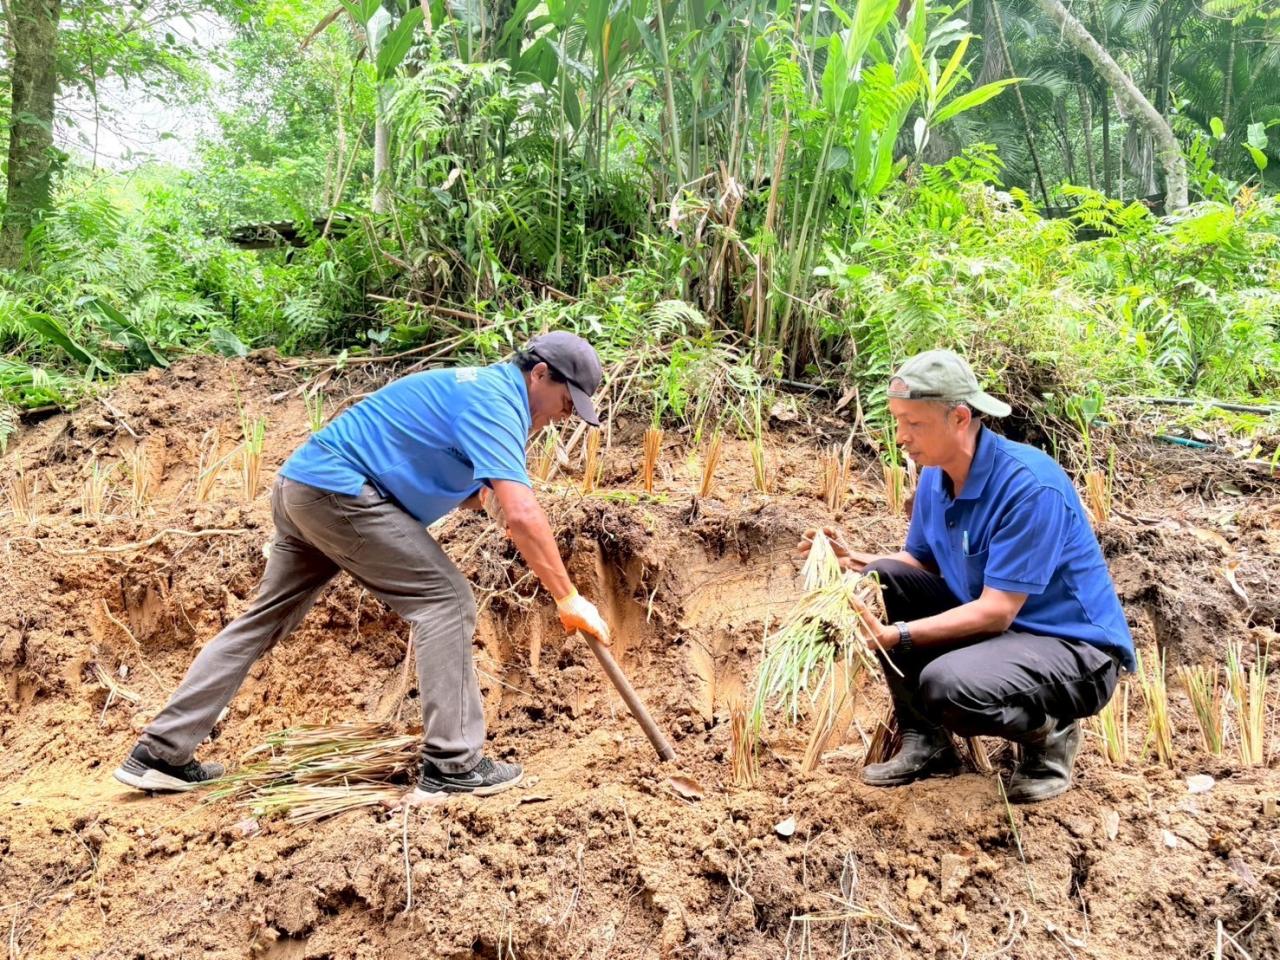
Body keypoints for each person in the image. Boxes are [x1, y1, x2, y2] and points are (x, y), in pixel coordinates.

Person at [115, 331, 611, 800]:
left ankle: (159, 753)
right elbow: (524, 514)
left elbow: (438, 469)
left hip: (303, 488)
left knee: (262, 620)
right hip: (339, 492)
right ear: (539, 375)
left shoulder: (478, 390)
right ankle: (453, 765)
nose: (566, 417)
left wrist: (484, 499)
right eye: (568, 403)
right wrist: (567, 596)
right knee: (446, 599)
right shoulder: (496, 402)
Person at [800, 350, 1134, 803]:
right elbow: (919, 564)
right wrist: (852, 560)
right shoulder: (936, 479)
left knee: (947, 686)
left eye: (913, 424)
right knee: (885, 577)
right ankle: (928, 742)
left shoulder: (1029, 486)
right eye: (898, 421)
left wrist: (895, 635)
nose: (901, 437)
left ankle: (1050, 736)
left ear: (959, 417)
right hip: (1006, 634)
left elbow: (997, 612)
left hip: (1073, 651)